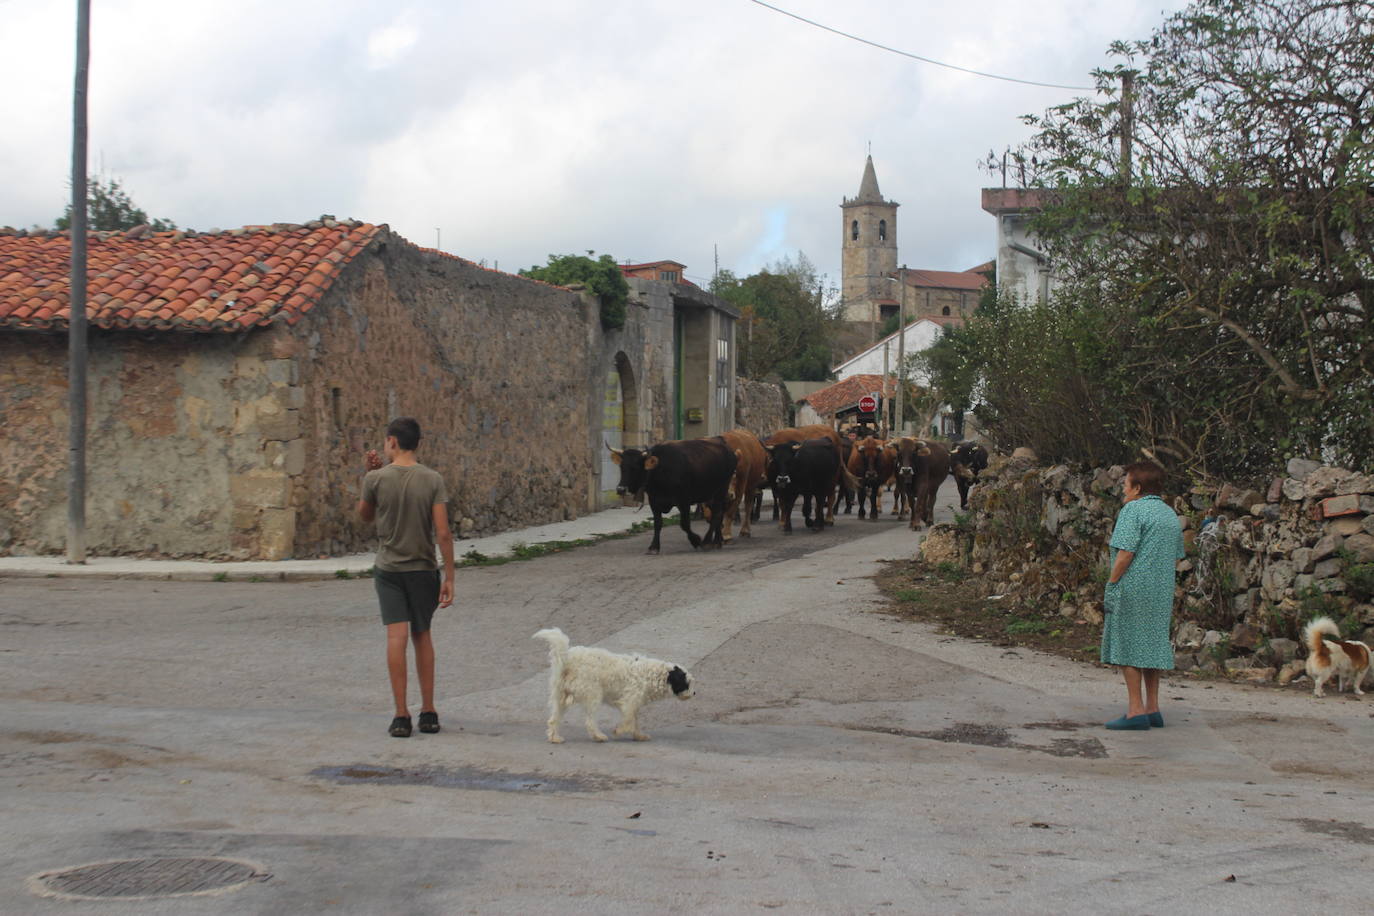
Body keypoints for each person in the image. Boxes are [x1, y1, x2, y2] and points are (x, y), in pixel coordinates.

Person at [357, 417, 455, 738]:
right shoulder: (433, 479)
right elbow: (442, 532)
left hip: (389, 571)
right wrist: (450, 576)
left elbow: (365, 516)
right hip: (423, 569)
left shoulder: (376, 478)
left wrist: (370, 476)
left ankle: (401, 715)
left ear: (392, 443)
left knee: (395, 638)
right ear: (418, 444)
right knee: (422, 636)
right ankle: (429, 711)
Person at [1100, 459, 1185, 731]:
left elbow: (1125, 553)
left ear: (1137, 488)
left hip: (1133, 586)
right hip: (1161, 589)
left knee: (1128, 646)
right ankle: (1153, 708)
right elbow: (1176, 556)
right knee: (1152, 644)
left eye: (1126, 485)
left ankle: (1135, 711)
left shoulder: (1132, 511)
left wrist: (1112, 583)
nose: (1123, 490)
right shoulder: (1169, 514)